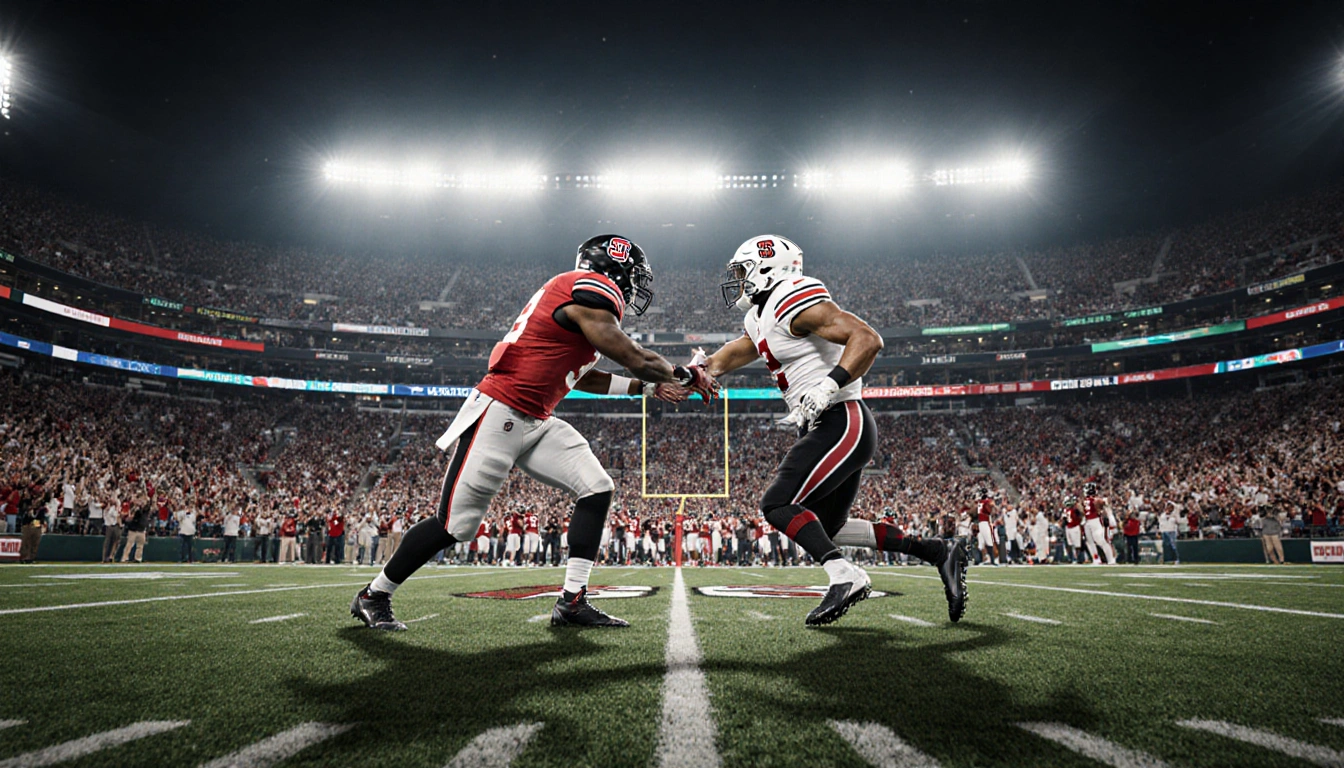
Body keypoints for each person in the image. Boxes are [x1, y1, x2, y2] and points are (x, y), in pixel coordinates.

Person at [351, 234, 718, 631]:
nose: (635, 284)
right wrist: (684, 373)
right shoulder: (591, 287)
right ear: (617, 266)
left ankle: (572, 601)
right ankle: (374, 594)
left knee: (596, 486)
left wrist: (645, 387)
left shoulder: (581, 301)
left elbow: (577, 376)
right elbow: (634, 356)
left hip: (536, 419)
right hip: (500, 411)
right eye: (634, 274)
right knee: (455, 526)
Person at [699, 235, 967, 625]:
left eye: (742, 272)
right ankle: (938, 552)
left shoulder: (791, 296)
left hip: (841, 417)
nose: (738, 281)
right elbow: (740, 350)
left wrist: (829, 384)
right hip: (826, 425)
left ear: (767, 268)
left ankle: (845, 576)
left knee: (777, 504)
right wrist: (699, 370)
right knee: (827, 528)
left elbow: (867, 339)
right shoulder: (759, 316)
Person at [1081, 483, 1117, 565]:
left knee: (1101, 541)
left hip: (1094, 521)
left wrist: (1106, 501)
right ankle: (1097, 559)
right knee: (1090, 542)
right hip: (1089, 521)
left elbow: (1104, 502)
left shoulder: (1093, 500)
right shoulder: (1090, 500)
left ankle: (1110, 559)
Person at [121, 495, 151, 563]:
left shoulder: (145, 509)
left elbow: (146, 508)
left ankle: (138, 558)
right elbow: (131, 515)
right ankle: (125, 558)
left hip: (141, 529)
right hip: (133, 529)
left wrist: (145, 502)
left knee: (140, 546)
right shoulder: (134, 508)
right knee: (129, 544)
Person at [101, 495, 123, 564]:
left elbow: (118, 516)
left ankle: (111, 556)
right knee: (107, 543)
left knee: (116, 542)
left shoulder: (114, 507)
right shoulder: (107, 508)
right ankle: (105, 558)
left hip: (114, 525)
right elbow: (117, 516)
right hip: (109, 526)